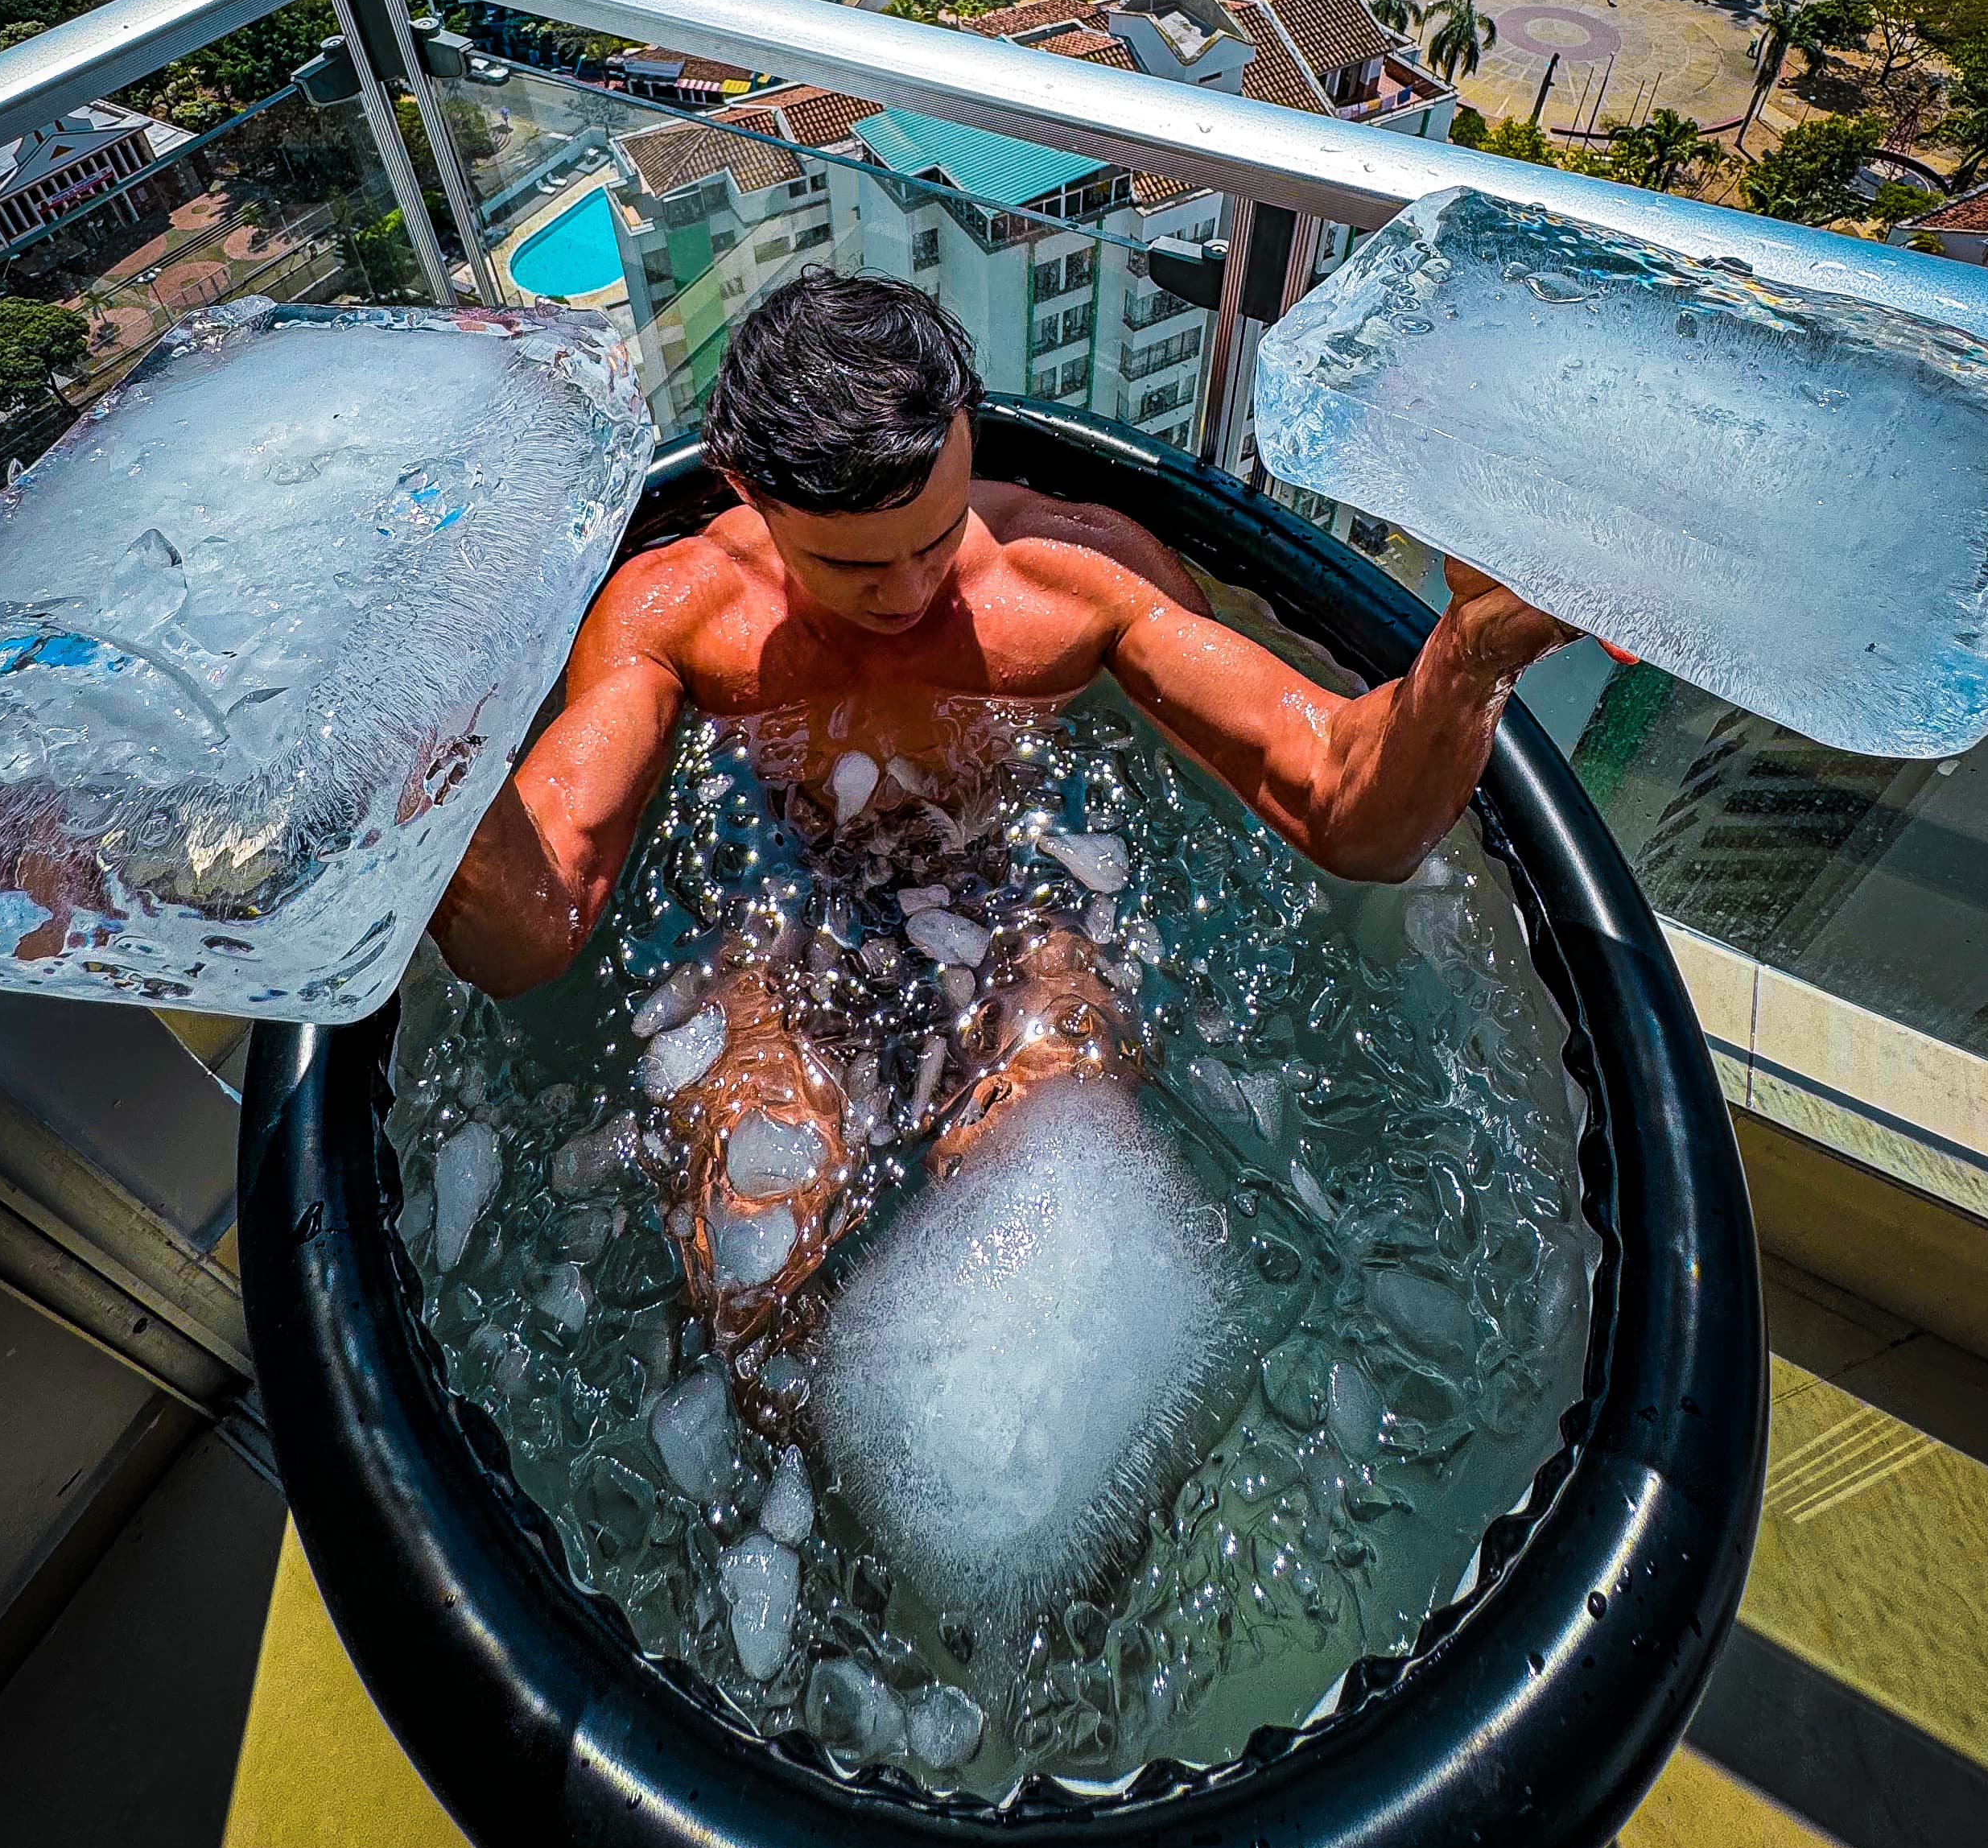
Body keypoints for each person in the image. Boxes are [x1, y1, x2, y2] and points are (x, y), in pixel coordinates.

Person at [432, 274, 1574, 1372]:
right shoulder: (677, 613)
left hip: (1023, 916)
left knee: (1056, 1182)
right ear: (742, 487)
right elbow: (534, 926)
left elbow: (1344, 807)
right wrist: (412, 740)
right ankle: (823, 1525)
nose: (910, 590)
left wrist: (1470, 655)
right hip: (782, 932)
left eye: (933, 539)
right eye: (851, 564)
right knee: (751, 1246)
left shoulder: (1070, 581)